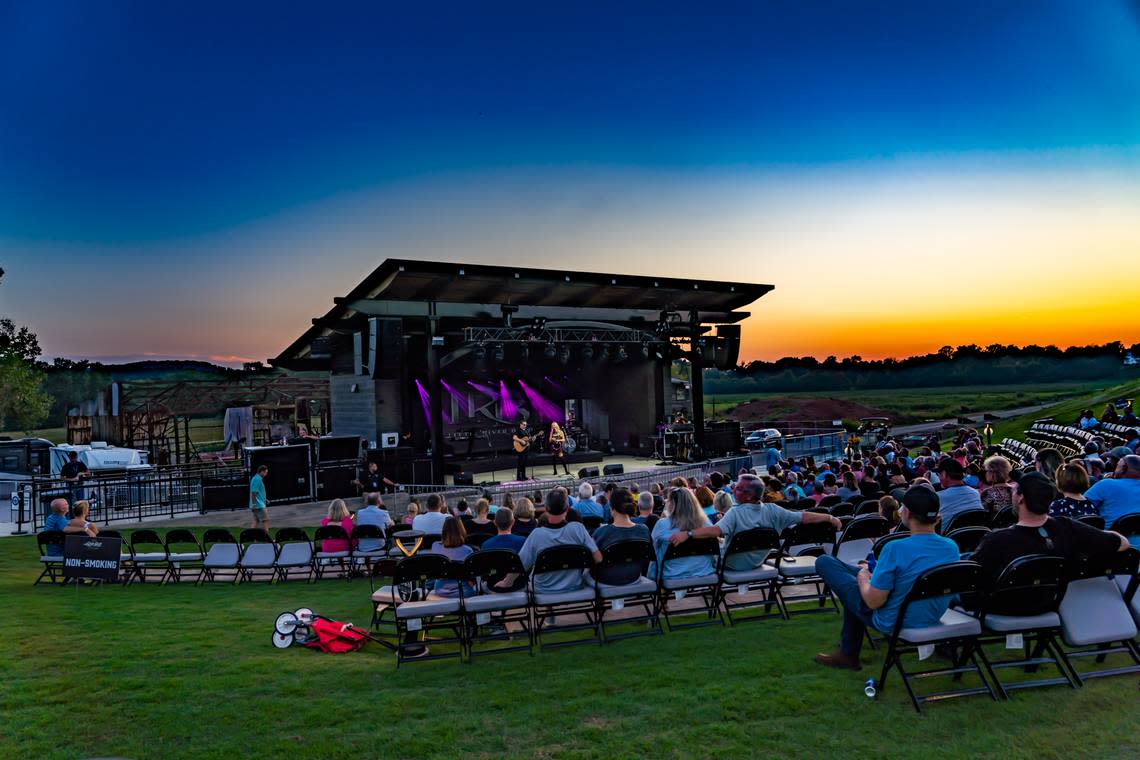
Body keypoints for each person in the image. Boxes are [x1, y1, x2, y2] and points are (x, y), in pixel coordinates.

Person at [814, 486, 960, 670]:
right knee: (849, 573)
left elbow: (873, 602)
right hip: (930, 614)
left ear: (906, 512)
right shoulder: (950, 546)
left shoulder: (895, 548)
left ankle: (848, 654)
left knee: (825, 562)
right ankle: (847, 652)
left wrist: (863, 577)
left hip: (894, 620)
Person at [969, 471, 1131, 591]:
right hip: (1051, 599)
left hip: (1006, 607)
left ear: (1020, 498)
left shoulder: (996, 540)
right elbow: (1123, 543)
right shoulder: (1068, 528)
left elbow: (971, 583)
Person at [671, 474, 840, 571]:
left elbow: (716, 531)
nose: (734, 490)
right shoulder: (774, 510)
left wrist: (688, 533)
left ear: (749, 495)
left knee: (707, 547)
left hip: (731, 564)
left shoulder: (735, 512)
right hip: (757, 561)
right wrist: (829, 518)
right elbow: (803, 517)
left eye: (738, 488)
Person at [518, 490, 601, 595]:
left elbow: (520, 565)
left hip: (543, 589)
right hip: (574, 585)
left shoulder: (536, 534)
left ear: (546, 510)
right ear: (566, 509)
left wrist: (506, 582)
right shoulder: (578, 529)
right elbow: (598, 558)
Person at [590, 488, 652, 585]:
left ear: (612, 508)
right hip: (634, 576)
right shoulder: (644, 530)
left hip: (607, 580)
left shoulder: (601, 532)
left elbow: (592, 559)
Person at [650, 488, 715, 580]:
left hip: (672, 574)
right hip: (704, 571)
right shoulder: (706, 523)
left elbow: (652, 550)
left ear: (672, 504)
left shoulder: (662, 525)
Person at [1084, 454, 1140, 532]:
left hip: (1113, 541)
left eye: (1117, 466)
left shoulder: (1106, 484)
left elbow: (1080, 504)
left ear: (1123, 468)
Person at [429, 517, 475, 598]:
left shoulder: (435, 546)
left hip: (440, 590)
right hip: (463, 591)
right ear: (461, 530)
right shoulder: (468, 550)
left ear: (444, 531)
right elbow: (471, 582)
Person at [935, 457, 982, 522]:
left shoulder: (936, 498)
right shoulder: (976, 493)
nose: (939, 477)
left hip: (949, 532)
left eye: (939, 474)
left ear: (944, 474)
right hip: (979, 531)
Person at [249, 464, 269, 530]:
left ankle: (250, 537)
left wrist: (265, 499)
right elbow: (254, 492)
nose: (266, 474)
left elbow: (258, 492)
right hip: (259, 505)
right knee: (265, 520)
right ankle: (267, 538)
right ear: (262, 471)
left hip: (257, 504)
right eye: (266, 472)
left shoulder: (256, 478)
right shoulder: (257, 479)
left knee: (256, 521)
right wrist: (254, 504)